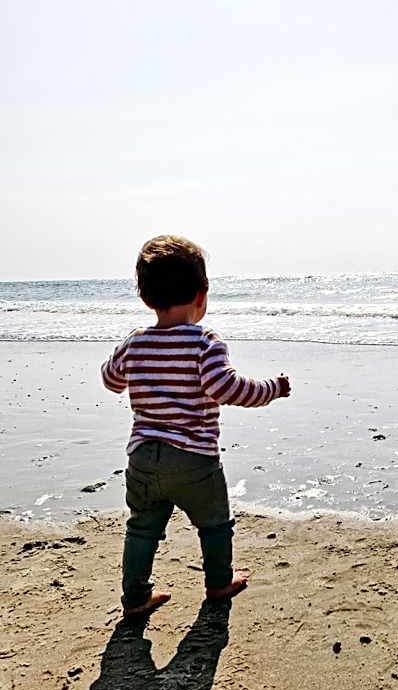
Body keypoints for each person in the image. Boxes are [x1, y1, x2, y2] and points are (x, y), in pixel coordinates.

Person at [101, 235, 291, 617]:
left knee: (141, 529)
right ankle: (219, 582)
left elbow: (111, 379)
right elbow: (227, 388)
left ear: (146, 298)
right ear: (202, 294)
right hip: (194, 460)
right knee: (215, 524)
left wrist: (133, 364)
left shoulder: (135, 342)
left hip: (143, 458)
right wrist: (272, 388)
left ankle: (135, 598)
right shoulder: (204, 341)